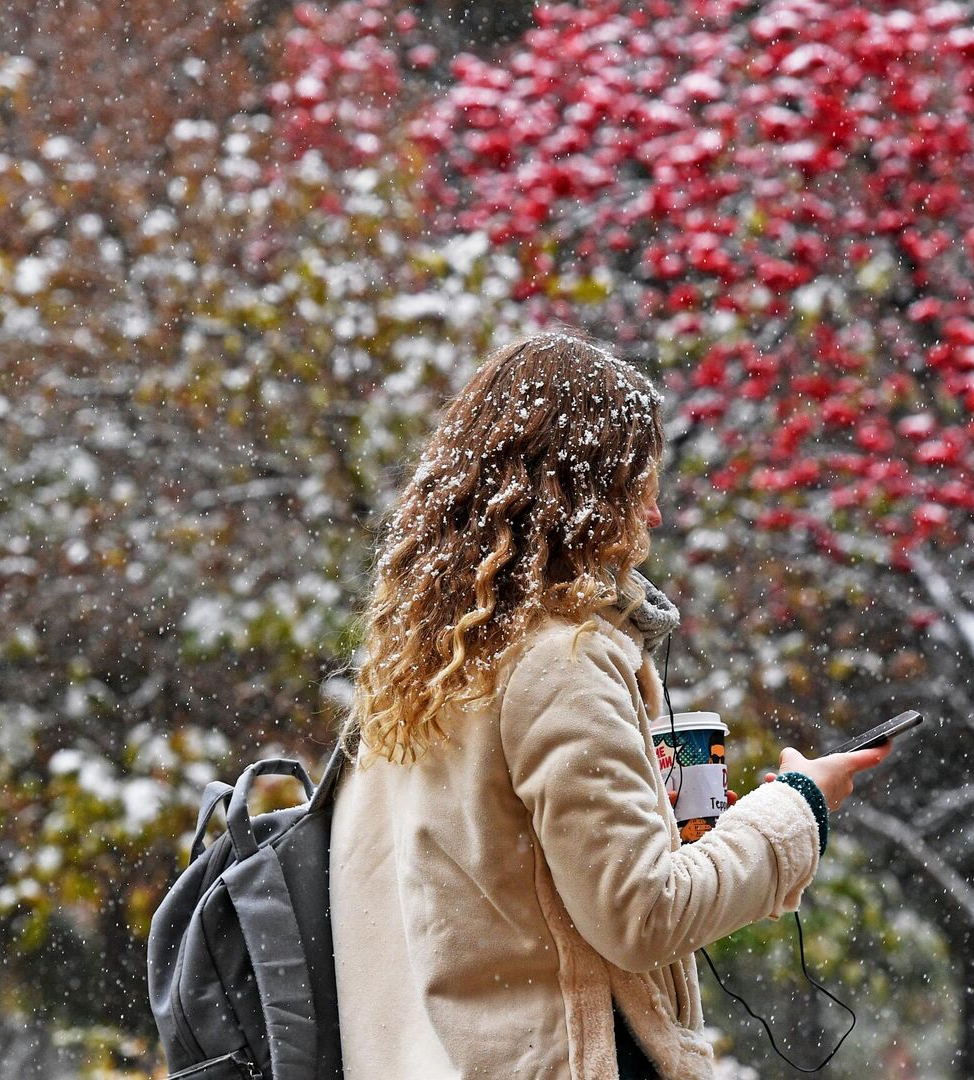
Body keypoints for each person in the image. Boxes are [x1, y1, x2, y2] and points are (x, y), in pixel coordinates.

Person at [329, 330, 894, 1079]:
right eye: (639, 485)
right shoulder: (559, 661)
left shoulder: (421, 665)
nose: (653, 517)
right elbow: (642, 914)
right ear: (586, 494)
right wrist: (799, 809)